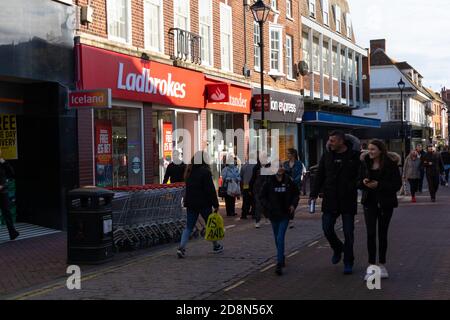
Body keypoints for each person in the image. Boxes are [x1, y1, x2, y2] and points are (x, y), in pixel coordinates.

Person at [310, 130, 361, 275]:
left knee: (348, 233)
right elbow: (320, 174)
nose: (329, 143)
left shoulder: (355, 156)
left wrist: (354, 185)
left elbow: (361, 174)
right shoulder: (326, 154)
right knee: (327, 229)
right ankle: (338, 248)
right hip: (330, 198)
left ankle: (348, 261)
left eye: (332, 140)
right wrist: (313, 194)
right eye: (329, 140)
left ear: (341, 141)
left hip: (348, 199)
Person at [359, 140, 402, 281]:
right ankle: (371, 266)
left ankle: (382, 265)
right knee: (370, 234)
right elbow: (357, 180)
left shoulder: (391, 165)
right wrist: (363, 183)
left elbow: (397, 185)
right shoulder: (365, 163)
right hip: (369, 202)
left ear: (380, 151)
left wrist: (379, 185)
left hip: (385, 204)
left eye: (373, 149)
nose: (369, 151)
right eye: (369, 149)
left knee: (382, 234)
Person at [177, 151, 223, 258]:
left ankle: (181, 247)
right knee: (210, 225)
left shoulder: (189, 172)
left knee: (189, 227)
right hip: (204, 204)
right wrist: (215, 204)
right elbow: (210, 190)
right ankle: (216, 246)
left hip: (191, 204)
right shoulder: (205, 172)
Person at [261, 164, 300, 276]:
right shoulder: (269, 181)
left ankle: (279, 263)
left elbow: (296, 194)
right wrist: (268, 206)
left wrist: (293, 205)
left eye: (281, 166)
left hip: (285, 214)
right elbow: (262, 196)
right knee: (276, 237)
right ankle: (281, 255)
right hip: (273, 214)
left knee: (280, 237)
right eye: (277, 166)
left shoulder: (289, 181)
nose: (280, 168)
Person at [249, 152, 272, 228]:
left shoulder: (269, 167)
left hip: (267, 189)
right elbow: (252, 178)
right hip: (257, 189)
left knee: (266, 205)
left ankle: (267, 217)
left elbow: (271, 178)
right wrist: (250, 188)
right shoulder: (256, 167)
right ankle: (257, 221)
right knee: (258, 205)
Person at [283, 148, 304, 229]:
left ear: (293, 154)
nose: (287, 155)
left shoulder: (299, 164)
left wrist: (293, 181)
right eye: (287, 153)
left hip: (295, 186)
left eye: (288, 153)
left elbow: (299, 174)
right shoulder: (285, 163)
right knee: (286, 202)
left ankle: (290, 218)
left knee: (294, 201)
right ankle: (289, 219)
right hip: (286, 186)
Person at [0, 153, 18, 241]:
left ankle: (12, 232)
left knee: (7, 212)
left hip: (3, 191)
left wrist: (4, 163)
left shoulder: (3, 162)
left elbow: (12, 173)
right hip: (3, 190)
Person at [240, 153, 256, 220]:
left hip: (245, 185)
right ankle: (253, 213)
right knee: (254, 199)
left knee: (246, 200)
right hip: (253, 185)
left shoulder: (244, 166)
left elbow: (241, 176)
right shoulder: (256, 166)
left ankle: (244, 214)